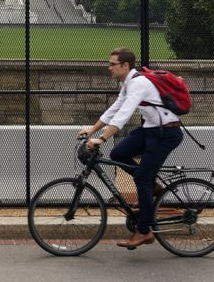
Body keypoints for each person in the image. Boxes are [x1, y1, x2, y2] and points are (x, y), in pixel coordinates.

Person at [78, 47, 183, 249]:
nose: (109, 68)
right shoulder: (128, 83)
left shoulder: (139, 84)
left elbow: (124, 114)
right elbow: (115, 107)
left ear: (125, 65)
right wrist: (93, 129)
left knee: (142, 177)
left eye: (112, 64)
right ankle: (153, 189)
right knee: (119, 153)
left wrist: (102, 138)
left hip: (165, 134)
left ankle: (144, 231)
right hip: (150, 130)